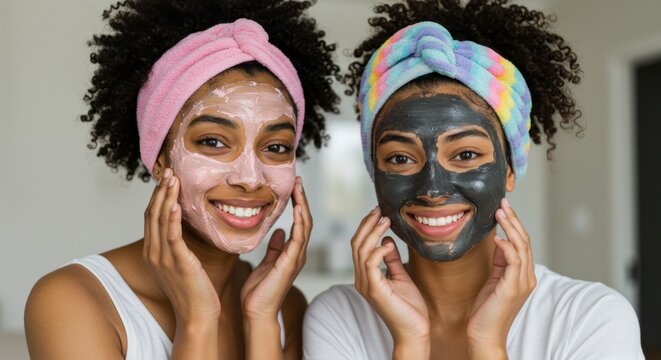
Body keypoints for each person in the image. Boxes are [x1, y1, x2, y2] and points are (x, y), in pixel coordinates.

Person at [303, 0, 644, 359]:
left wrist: (488, 344)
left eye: (466, 155)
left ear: (510, 169)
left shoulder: (589, 318)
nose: (432, 188)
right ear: (375, 174)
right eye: (400, 158)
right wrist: (410, 342)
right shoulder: (339, 317)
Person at [24, 0, 339, 359]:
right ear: (159, 159)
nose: (251, 179)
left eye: (277, 146)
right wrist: (197, 320)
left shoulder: (283, 305)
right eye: (213, 142)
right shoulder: (73, 299)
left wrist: (262, 318)